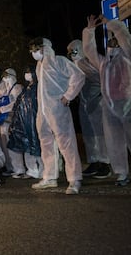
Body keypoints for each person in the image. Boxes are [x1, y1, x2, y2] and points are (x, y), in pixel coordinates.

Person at [82, 15, 131, 186]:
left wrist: (111, 25)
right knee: (114, 142)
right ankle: (121, 173)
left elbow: (125, 36)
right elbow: (89, 50)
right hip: (109, 108)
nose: (112, 42)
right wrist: (90, 31)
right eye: (110, 40)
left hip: (128, 104)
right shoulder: (103, 62)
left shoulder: (128, 56)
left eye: (115, 40)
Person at [29, 37, 85, 195]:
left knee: (66, 143)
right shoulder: (39, 66)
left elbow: (78, 75)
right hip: (43, 111)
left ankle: (74, 179)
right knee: (46, 144)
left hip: (57, 109)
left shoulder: (58, 61)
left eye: (36, 49)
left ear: (44, 47)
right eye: (32, 51)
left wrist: (68, 96)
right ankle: (50, 177)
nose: (34, 53)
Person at [67, 39, 111, 178]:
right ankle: (94, 161)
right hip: (84, 104)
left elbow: (102, 78)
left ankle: (105, 164)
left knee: (100, 134)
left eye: (73, 50)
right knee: (89, 135)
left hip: (97, 102)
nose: (71, 53)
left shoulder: (89, 63)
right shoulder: (74, 65)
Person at [7, 66, 43, 179]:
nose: (27, 74)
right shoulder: (26, 89)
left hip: (33, 120)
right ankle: (32, 170)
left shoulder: (38, 88)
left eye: (29, 72)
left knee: (36, 145)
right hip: (24, 122)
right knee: (26, 146)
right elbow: (18, 104)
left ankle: (43, 171)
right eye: (26, 72)